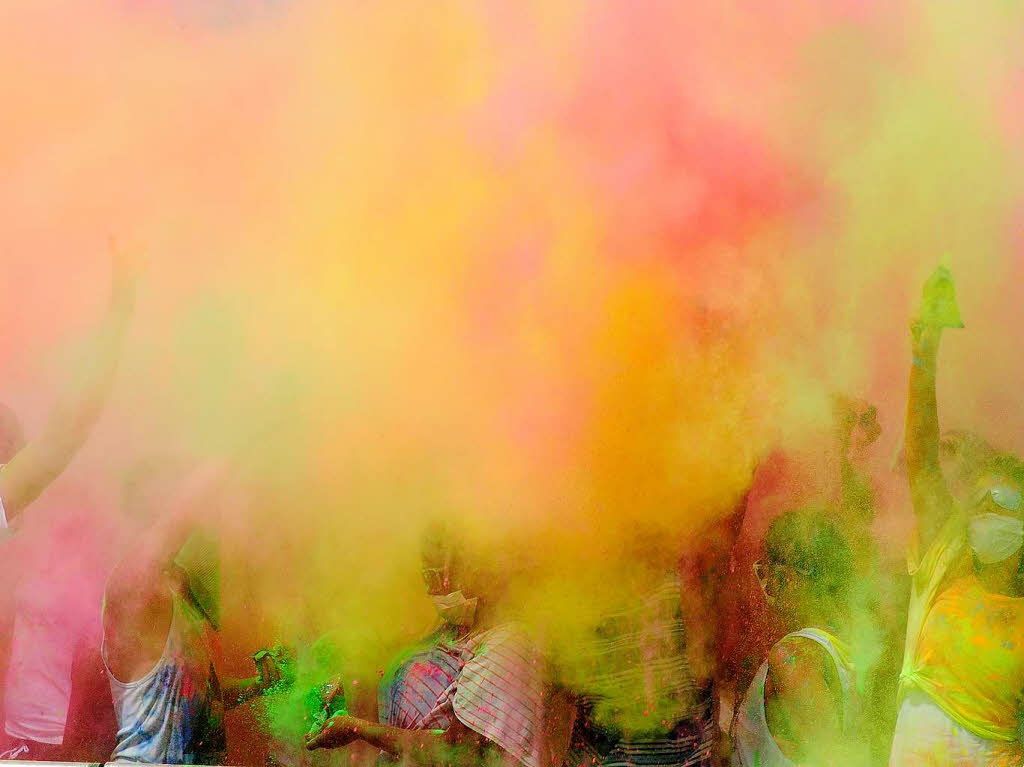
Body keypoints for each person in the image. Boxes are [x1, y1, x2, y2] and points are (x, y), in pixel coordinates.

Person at [0, 242, 137, 761]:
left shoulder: (70, 539)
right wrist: (121, 313)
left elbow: (64, 436)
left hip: (54, 745)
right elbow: (65, 434)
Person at [889, 266, 1024, 766]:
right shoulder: (945, 567)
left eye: (1007, 503)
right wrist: (925, 348)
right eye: (982, 501)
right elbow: (922, 459)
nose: (989, 512)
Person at [305, 521, 572, 767]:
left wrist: (355, 729)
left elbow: (460, 753)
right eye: (427, 578)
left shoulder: (509, 646)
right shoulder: (445, 635)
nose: (432, 591)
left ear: (477, 570)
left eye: (438, 576)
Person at [101, 459, 284, 765]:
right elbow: (182, 515)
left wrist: (259, 685)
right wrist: (233, 448)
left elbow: (201, 695)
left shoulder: (179, 585)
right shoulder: (130, 582)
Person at [731, 508, 863, 767]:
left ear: (791, 577)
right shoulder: (845, 645)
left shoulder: (793, 655)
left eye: (768, 570)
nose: (766, 587)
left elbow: (829, 758)